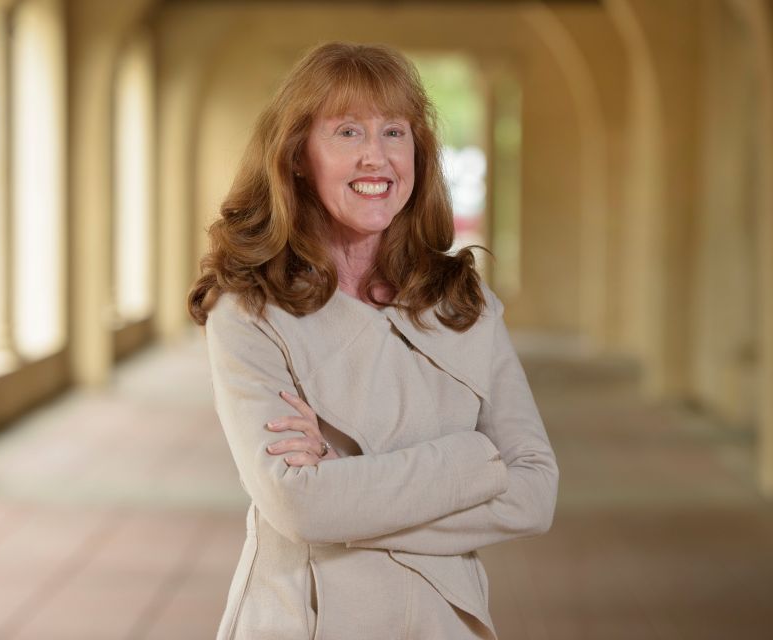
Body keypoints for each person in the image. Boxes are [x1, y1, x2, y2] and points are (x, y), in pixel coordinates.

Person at [187, 41, 558, 640]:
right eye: (347, 132)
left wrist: (344, 489)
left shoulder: (465, 304)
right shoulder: (249, 311)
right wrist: (473, 462)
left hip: (445, 620)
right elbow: (298, 507)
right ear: (298, 155)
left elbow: (536, 492)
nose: (376, 158)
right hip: (299, 619)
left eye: (394, 132)